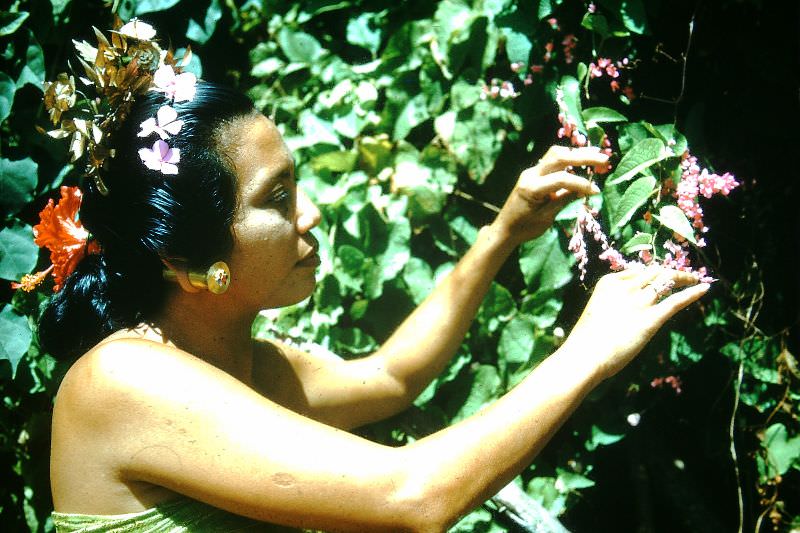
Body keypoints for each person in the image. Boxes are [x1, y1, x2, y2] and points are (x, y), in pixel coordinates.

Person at [34, 23, 709, 533]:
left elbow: (390, 377)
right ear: (182, 261)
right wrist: (586, 354)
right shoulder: (121, 380)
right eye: (277, 199)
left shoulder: (234, 363)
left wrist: (504, 232)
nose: (313, 212)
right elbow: (414, 494)